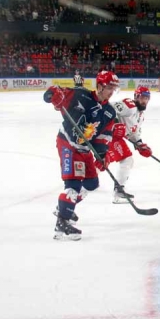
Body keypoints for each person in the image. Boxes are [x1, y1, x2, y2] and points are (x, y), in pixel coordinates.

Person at [44, 71, 120, 240]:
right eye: (109, 88)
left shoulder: (109, 111)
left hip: (84, 149)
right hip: (68, 144)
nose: (111, 92)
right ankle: (62, 225)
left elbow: (104, 136)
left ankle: (64, 207)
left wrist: (102, 154)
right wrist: (53, 95)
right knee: (73, 184)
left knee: (92, 183)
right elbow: (55, 94)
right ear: (99, 86)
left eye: (114, 88)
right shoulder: (79, 94)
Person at [107, 86, 153, 204]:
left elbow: (133, 133)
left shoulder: (140, 115)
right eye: (142, 97)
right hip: (107, 134)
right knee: (127, 160)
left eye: (147, 98)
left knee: (101, 164)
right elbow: (108, 107)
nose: (145, 101)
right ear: (136, 97)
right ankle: (118, 190)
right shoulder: (129, 105)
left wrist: (140, 145)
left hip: (114, 137)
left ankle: (83, 185)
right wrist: (116, 124)